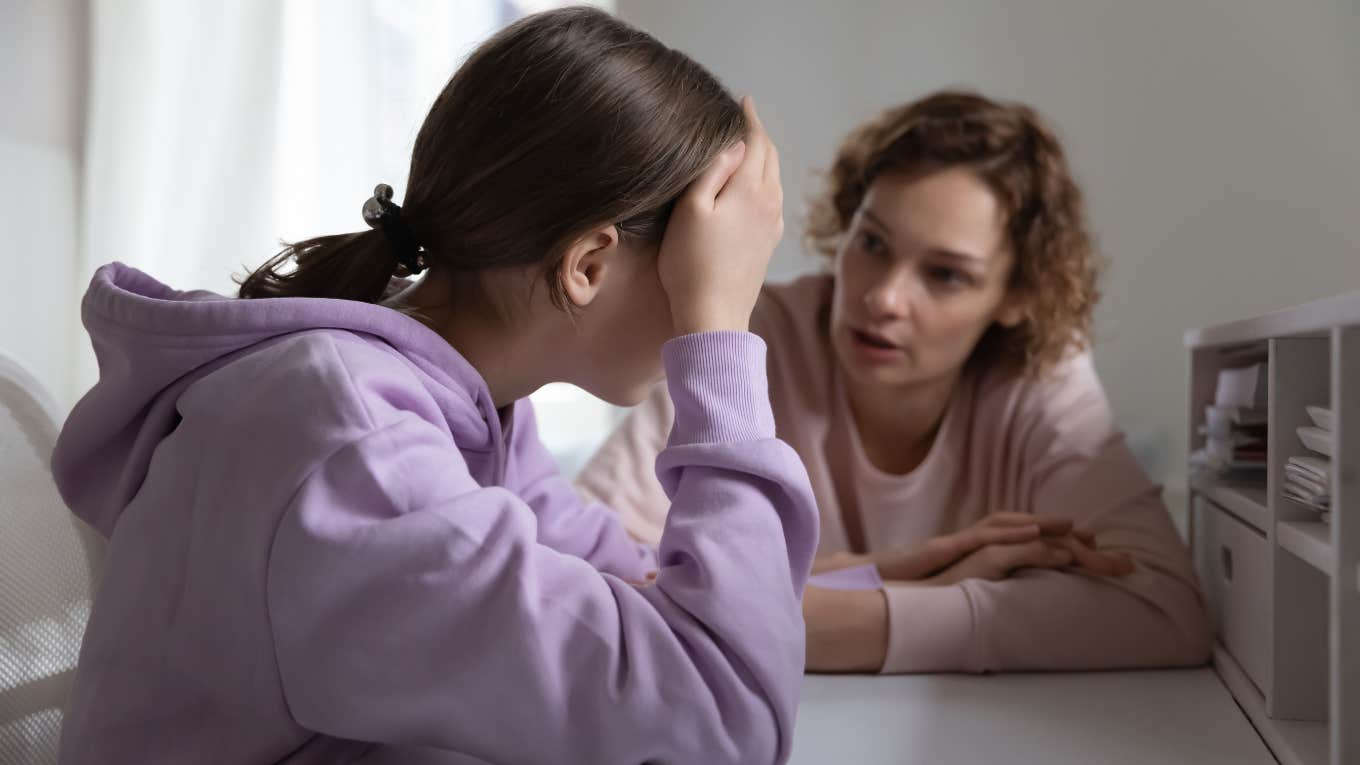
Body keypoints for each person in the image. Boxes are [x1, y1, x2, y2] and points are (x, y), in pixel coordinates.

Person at [50, 8, 817, 763]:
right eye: (702, 265)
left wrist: (897, 597)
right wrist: (718, 333)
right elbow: (724, 716)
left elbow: (637, 584)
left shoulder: (459, 408)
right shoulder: (357, 441)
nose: (716, 293)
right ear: (587, 265)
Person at [577, 90, 1212, 675]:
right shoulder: (750, 332)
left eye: (946, 275)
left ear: (1018, 295)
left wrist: (814, 620)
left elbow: (1166, 611)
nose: (883, 298)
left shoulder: (1039, 373)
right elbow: (586, 582)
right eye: (874, 244)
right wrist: (922, 589)